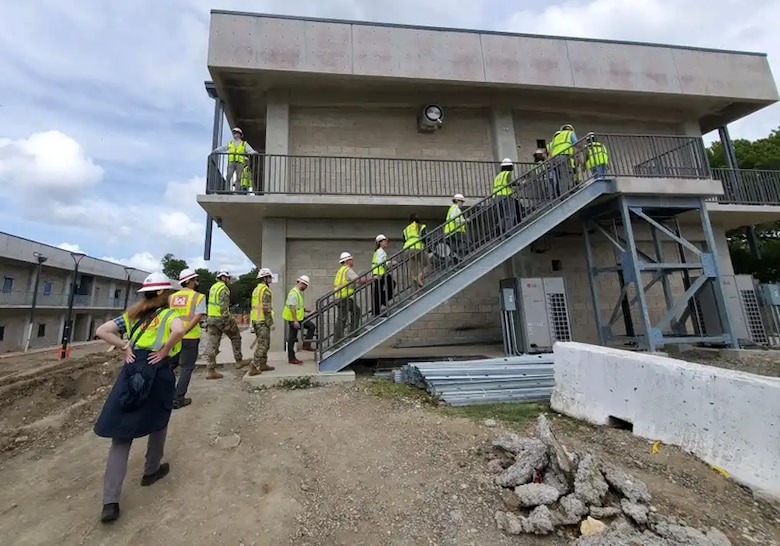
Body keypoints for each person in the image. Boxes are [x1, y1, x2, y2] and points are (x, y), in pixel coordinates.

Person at [93, 272, 187, 524]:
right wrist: (165, 349)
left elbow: (102, 330)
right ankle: (151, 470)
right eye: (167, 292)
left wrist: (125, 347)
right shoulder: (168, 315)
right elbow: (179, 330)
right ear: (161, 294)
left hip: (132, 371)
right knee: (159, 421)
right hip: (157, 370)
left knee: (121, 437)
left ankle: (110, 502)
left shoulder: (131, 316)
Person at [167, 268, 206, 409]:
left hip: (173, 336)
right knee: (186, 368)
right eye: (195, 279)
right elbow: (197, 316)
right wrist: (185, 330)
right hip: (190, 337)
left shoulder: (172, 298)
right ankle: (178, 399)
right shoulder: (199, 297)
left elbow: (168, 316)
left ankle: (165, 395)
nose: (197, 282)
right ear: (188, 281)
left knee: (170, 366)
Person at [202, 270, 246, 379]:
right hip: (221, 318)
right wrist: (227, 321)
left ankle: (210, 370)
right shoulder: (224, 289)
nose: (229, 280)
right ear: (223, 278)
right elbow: (223, 306)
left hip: (211, 318)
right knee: (235, 336)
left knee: (213, 343)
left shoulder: (213, 287)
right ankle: (239, 360)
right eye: (227, 278)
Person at [211, 127, 258, 192]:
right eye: (234, 133)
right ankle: (227, 190)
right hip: (231, 161)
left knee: (239, 177)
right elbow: (223, 148)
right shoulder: (230, 143)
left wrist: (253, 152)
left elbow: (249, 150)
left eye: (236, 133)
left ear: (240, 134)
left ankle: (236, 190)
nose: (234, 134)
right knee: (228, 176)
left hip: (240, 162)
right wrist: (216, 151)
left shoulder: (243, 144)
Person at [282, 275, 316, 365]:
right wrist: (295, 320)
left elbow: (297, 306)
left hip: (298, 317)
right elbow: (292, 307)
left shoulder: (297, 292)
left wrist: (304, 309)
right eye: (305, 286)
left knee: (311, 326)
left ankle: (306, 345)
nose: (306, 288)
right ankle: (292, 358)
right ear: (301, 283)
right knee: (292, 338)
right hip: (294, 319)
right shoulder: (294, 293)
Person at [248, 268, 275, 376]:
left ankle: (263, 364)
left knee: (264, 343)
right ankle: (254, 367)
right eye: (269, 277)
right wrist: (270, 323)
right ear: (265, 278)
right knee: (263, 345)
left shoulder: (256, 289)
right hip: (262, 320)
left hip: (256, 319)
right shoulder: (265, 290)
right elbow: (266, 308)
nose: (271, 279)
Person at [548, 124, 578, 193]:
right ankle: (566, 193)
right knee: (565, 175)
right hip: (564, 155)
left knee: (562, 176)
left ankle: (566, 191)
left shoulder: (557, 137)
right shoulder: (570, 133)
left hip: (556, 157)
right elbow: (576, 143)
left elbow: (551, 149)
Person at [491, 158, 517, 234]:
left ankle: (499, 229)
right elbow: (510, 182)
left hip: (496, 198)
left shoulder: (497, 176)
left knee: (502, 215)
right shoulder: (507, 173)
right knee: (510, 214)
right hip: (506, 196)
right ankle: (509, 232)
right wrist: (519, 184)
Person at [402, 214, 427, 289]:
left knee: (414, 270)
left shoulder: (406, 229)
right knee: (427, 264)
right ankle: (420, 277)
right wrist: (428, 247)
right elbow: (424, 237)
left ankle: (415, 293)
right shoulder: (421, 226)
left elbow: (404, 240)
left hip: (407, 249)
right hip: (417, 247)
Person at [371, 235, 395, 317]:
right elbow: (381, 262)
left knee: (378, 292)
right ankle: (383, 301)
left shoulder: (379, 251)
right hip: (380, 274)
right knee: (391, 284)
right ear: (380, 243)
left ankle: (377, 311)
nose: (386, 242)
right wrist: (390, 263)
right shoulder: (380, 251)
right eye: (384, 241)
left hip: (378, 273)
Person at [444, 193, 468, 261]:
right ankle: (459, 255)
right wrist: (464, 220)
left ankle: (455, 256)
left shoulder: (451, 208)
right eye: (462, 201)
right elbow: (455, 218)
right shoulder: (455, 208)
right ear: (457, 201)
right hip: (456, 230)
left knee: (454, 245)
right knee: (467, 242)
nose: (462, 204)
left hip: (449, 231)